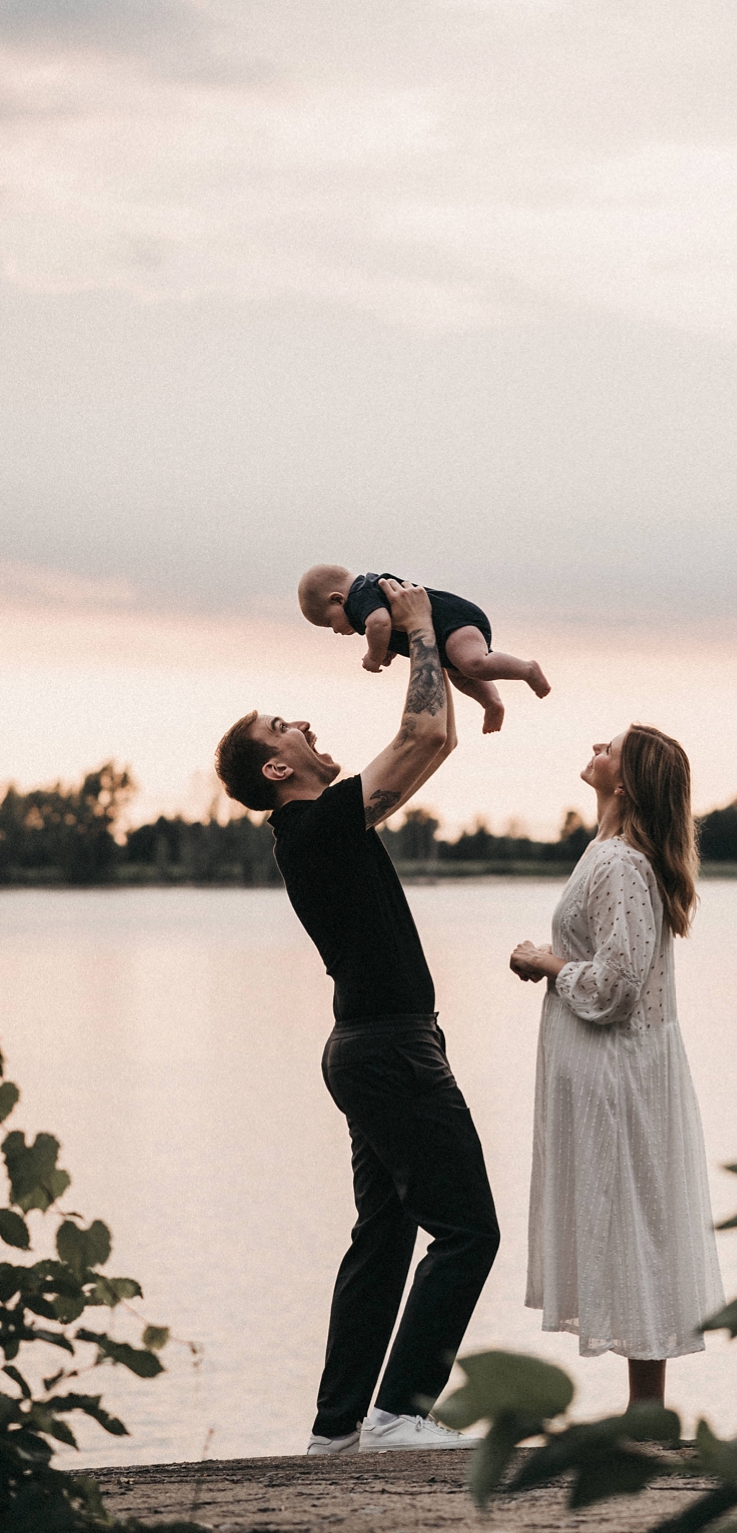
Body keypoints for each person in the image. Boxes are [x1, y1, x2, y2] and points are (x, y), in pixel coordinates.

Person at [214, 579, 499, 1454]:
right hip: (388, 1052)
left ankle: (337, 1431)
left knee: (383, 1238)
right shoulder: (316, 826)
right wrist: (416, 630)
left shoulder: (323, 828)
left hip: (371, 1048)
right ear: (276, 768)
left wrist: (432, 647)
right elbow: (416, 732)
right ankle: (399, 1413)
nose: (302, 725)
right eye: (283, 727)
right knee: (468, 1230)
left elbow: (433, 739)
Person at [510, 724, 725, 1408]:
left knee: (637, 1220)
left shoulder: (621, 863)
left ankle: (648, 1411)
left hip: (620, 1069)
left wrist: (544, 961)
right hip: (610, 1065)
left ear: (625, 783)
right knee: (628, 1219)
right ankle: (644, 1409)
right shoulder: (606, 853)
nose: (594, 745)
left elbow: (618, 984)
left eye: (609, 747)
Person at [297, 562, 550, 735]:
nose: (335, 631)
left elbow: (380, 622)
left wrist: (374, 656)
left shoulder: (360, 595)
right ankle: (491, 703)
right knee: (461, 676)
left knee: (473, 663)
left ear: (337, 599)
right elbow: (395, 624)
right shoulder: (368, 598)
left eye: (329, 622)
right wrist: (390, 648)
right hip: (445, 639)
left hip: (454, 622)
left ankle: (527, 670)